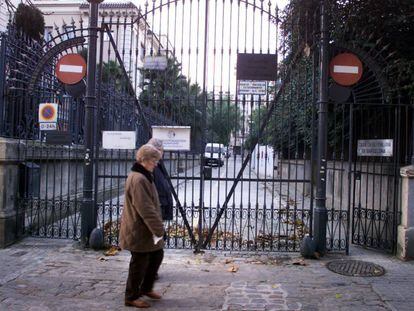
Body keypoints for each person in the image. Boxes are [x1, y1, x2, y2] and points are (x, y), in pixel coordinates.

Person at [119, 144, 164, 309]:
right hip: (138, 229)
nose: (156, 163)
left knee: (157, 255)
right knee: (139, 262)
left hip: (144, 229)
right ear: (144, 160)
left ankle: (146, 288)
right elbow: (145, 208)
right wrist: (158, 228)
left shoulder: (144, 175)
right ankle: (131, 296)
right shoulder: (138, 178)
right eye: (154, 160)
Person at [147, 138, 174, 223]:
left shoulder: (158, 164)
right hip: (155, 210)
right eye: (162, 150)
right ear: (156, 151)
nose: (163, 153)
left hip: (160, 207)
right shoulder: (149, 166)